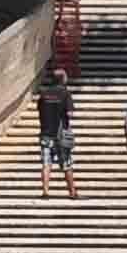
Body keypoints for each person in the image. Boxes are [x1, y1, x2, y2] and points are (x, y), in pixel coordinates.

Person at [34, 70, 79, 198]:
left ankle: (45, 191)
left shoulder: (44, 94)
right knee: (66, 164)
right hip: (61, 135)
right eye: (66, 76)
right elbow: (70, 113)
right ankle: (72, 192)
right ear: (62, 79)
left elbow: (40, 109)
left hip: (46, 134)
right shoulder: (65, 93)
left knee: (46, 163)